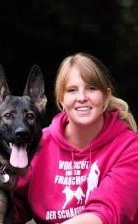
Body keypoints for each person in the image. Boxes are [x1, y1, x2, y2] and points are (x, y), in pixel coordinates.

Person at [14, 52, 138, 224]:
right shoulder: (39, 144)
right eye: (72, 90)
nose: (81, 98)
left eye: (91, 88)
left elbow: (106, 213)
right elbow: (11, 205)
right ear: (61, 100)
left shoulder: (130, 147)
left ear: (107, 95)